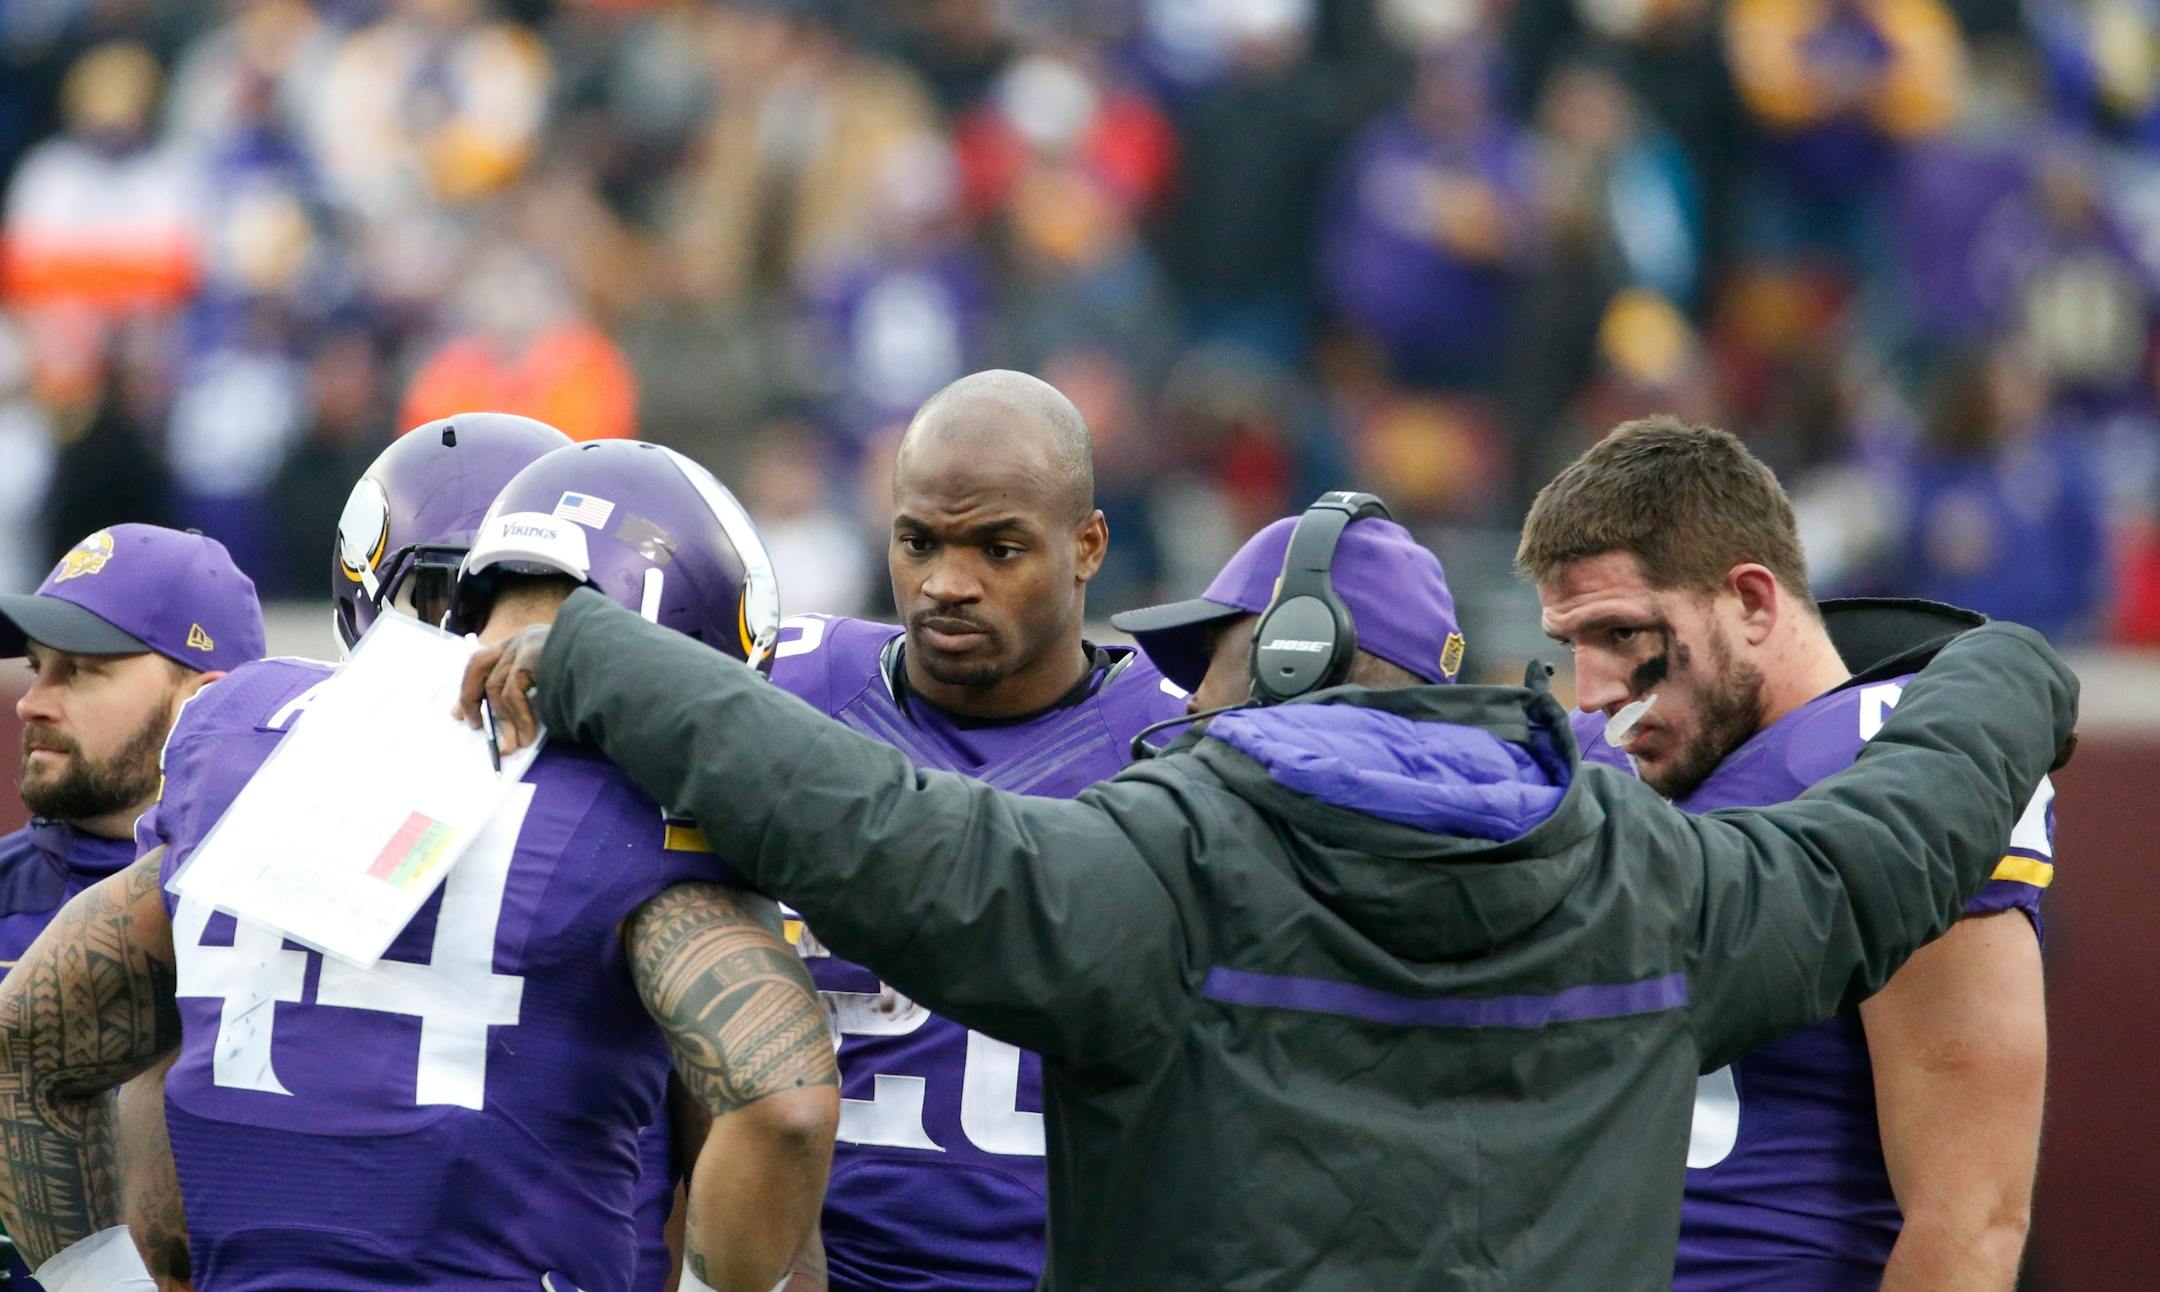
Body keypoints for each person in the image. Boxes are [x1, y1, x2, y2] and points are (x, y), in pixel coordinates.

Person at [461, 491, 2076, 1291]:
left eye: (1204, 665)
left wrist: (594, 646)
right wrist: (2009, 665)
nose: (1172, 698)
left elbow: (859, 818)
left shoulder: (1154, 868)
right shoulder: (1656, 883)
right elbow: (1894, 845)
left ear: (1290, 663)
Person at [0, 438, 839, 1292]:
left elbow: (28, 1040)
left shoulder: (243, 730)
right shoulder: (644, 807)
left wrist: (99, 1284)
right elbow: (787, 1109)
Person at [1519, 416, 2053, 1290]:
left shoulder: (1892, 772)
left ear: (1754, 602)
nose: (1594, 690)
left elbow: (1972, 1218)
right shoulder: (1590, 762)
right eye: (1570, 644)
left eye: (1623, 635)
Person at [764, 370, 1183, 1291]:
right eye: (920, 542)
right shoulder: (780, 695)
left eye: (999, 549)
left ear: (1087, 545)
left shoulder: (1184, 750)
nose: (947, 584)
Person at [0, 523, 266, 1290]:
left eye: (81, 671)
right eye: (35, 667)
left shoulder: (301, 912)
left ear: (203, 699)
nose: (31, 703)